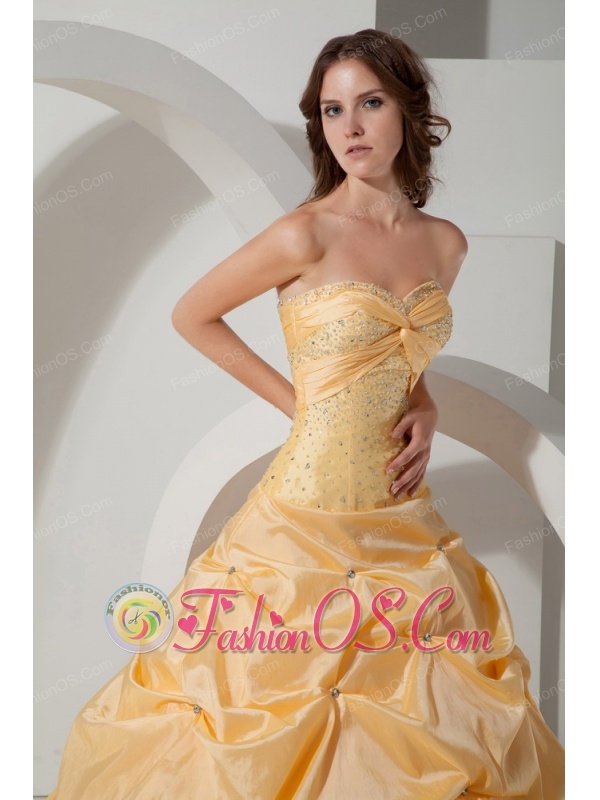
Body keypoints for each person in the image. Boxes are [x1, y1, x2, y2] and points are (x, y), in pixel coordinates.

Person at [47, 28, 565, 799]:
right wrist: (298, 405)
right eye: (331, 110)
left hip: (401, 516)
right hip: (302, 515)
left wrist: (422, 401)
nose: (350, 126)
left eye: (370, 103)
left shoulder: (445, 245)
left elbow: (398, 350)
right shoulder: (305, 232)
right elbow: (193, 315)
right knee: (258, 701)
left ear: (409, 110)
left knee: (427, 717)